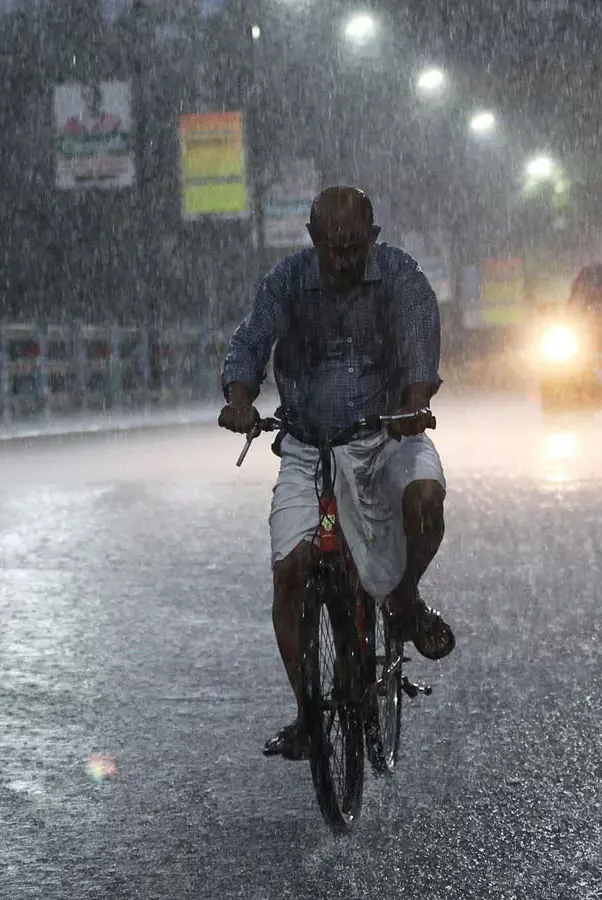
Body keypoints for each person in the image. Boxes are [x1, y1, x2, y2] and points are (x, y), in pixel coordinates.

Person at [219, 185, 456, 761]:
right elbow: (250, 341)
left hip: (385, 434)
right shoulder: (287, 281)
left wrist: (415, 400)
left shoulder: (401, 277)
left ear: (373, 238)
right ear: (313, 241)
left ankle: (403, 599)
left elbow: (421, 344)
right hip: (306, 442)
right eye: (332, 250)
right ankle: (307, 714)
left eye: (353, 248)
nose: (343, 262)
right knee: (290, 572)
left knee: (425, 500)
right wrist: (241, 398)